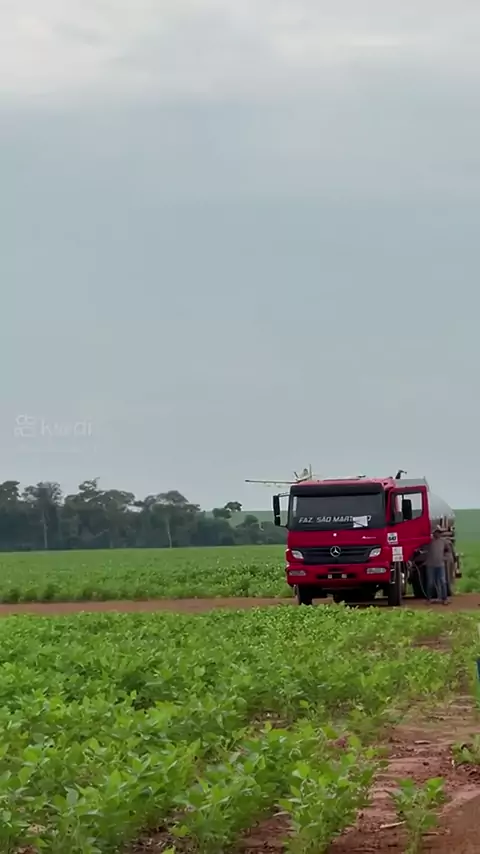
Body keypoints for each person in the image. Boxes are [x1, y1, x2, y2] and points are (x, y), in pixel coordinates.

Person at [425, 527, 450, 604]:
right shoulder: (429, 541)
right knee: (430, 582)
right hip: (431, 565)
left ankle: (444, 598)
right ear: (434, 533)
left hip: (440, 565)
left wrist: (445, 558)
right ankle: (429, 599)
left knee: (442, 581)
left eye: (439, 532)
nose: (438, 534)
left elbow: (448, 550)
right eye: (436, 532)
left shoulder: (443, 541)